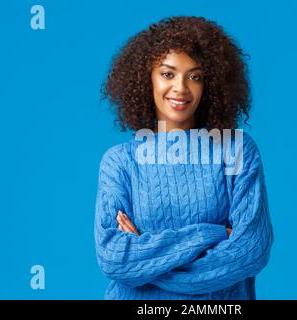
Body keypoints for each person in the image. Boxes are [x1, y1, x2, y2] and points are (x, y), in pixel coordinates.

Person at [95, 16, 274, 300]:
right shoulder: (120, 162)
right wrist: (213, 234)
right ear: (146, 79)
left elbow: (252, 249)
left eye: (195, 76)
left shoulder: (235, 149)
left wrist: (147, 259)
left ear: (210, 84)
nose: (181, 87)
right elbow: (115, 258)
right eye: (167, 74)